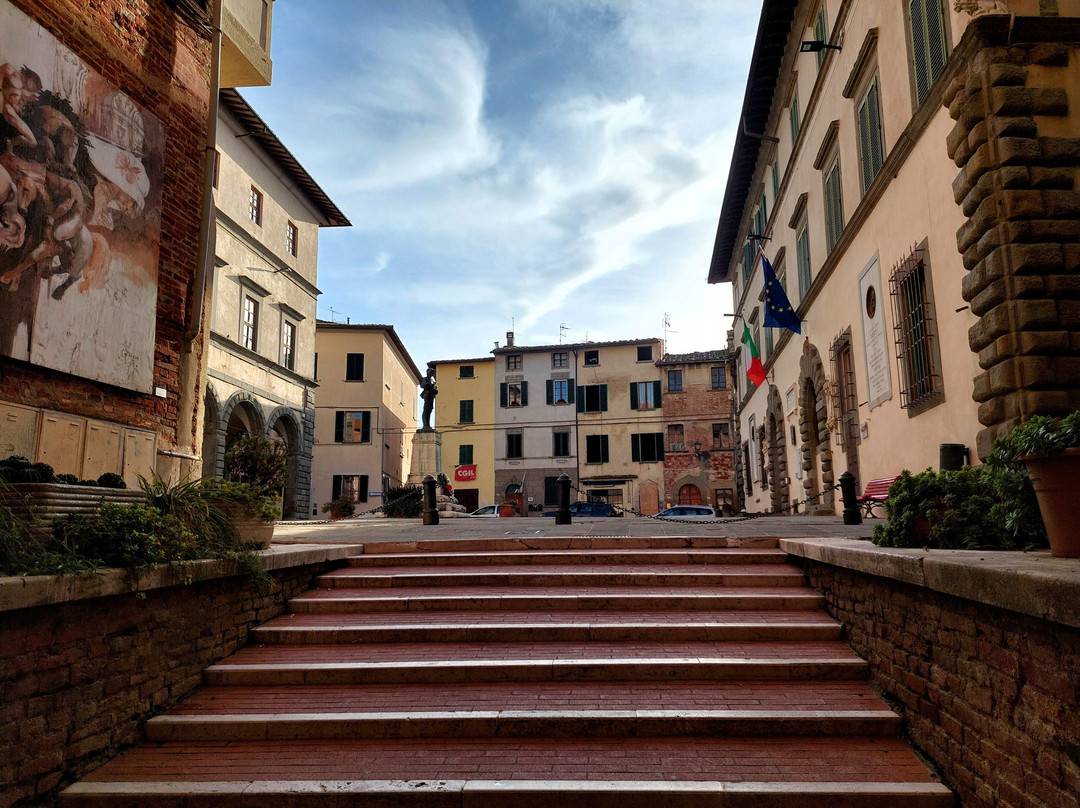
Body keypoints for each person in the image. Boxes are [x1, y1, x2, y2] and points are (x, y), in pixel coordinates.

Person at [419, 365, 437, 430]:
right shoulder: (425, 379)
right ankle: (425, 425)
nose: (433, 373)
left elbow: (434, 389)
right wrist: (428, 383)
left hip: (431, 396)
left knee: (429, 410)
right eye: (432, 372)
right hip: (427, 395)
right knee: (426, 410)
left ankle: (428, 425)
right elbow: (422, 385)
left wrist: (435, 390)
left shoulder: (433, 381)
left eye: (433, 373)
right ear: (428, 373)